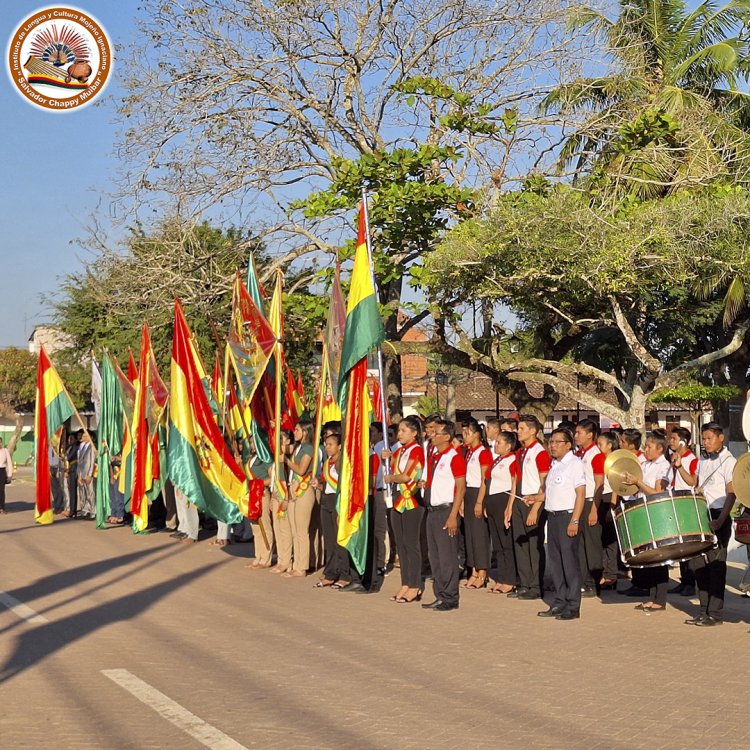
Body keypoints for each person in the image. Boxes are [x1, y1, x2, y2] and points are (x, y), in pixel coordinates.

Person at [684, 423, 737, 627]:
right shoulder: (702, 461)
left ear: (720, 438)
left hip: (718, 516)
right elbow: (695, 484)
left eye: (709, 438)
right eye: (703, 439)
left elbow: (731, 494)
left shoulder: (729, 462)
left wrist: (721, 520)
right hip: (701, 515)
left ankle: (715, 613)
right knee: (699, 564)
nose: (705, 443)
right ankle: (703, 610)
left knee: (716, 566)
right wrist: (680, 467)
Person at [537, 429, 586, 620]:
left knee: (569, 563)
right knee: (556, 561)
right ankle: (559, 601)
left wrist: (575, 520)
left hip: (567, 517)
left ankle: (573, 605)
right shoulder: (554, 464)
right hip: (553, 516)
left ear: (568, 444)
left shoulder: (574, 464)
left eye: (558, 442)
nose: (553, 445)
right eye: (551, 442)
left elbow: (580, 494)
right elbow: (552, 492)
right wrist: (536, 498)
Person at [623, 430, 671, 613]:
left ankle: (661, 599)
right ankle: (652, 597)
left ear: (660, 449)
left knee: (660, 557)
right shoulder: (645, 463)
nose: (646, 450)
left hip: (656, 512)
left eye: (650, 447)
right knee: (650, 557)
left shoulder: (663, 466)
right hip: (643, 511)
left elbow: (658, 492)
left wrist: (638, 482)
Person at [421, 419, 466, 612]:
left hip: (446, 511)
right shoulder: (435, 457)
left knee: (447, 557)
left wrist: (453, 515)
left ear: (446, 437)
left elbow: (461, 487)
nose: (432, 435)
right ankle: (440, 594)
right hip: (432, 512)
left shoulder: (453, 457)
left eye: (436, 433)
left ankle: (450, 597)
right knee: (435, 557)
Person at [383, 416, 425, 603]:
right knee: (401, 545)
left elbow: (406, 476)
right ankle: (405, 583)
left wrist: (392, 478)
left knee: (411, 544)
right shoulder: (400, 451)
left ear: (414, 433)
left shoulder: (416, 450)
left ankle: (415, 585)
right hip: (398, 500)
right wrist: (389, 458)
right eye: (399, 431)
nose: (399, 434)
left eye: (403, 431)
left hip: (412, 501)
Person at [509, 415, 550, 600]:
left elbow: (544, 483)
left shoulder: (539, 452)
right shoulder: (520, 452)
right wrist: (510, 507)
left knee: (534, 545)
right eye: (518, 428)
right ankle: (524, 583)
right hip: (520, 500)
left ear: (533, 431)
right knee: (521, 544)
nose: (518, 431)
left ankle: (535, 585)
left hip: (534, 502)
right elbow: (515, 481)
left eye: (522, 428)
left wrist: (535, 508)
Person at [312, 432, 350, 588]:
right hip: (326, 501)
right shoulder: (327, 462)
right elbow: (326, 486)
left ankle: (344, 575)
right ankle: (330, 573)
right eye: (326, 444)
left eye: (330, 444)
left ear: (339, 446)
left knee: (339, 539)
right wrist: (318, 485)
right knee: (329, 540)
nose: (327, 447)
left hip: (338, 501)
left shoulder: (343, 463)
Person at [667, 427, 698, 597]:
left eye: (673, 438)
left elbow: (692, 481)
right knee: (680, 545)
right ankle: (684, 579)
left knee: (689, 543)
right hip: (676, 500)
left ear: (682, 441)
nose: (670, 441)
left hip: (687, 502)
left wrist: (680, 467)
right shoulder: (673, 458)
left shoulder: (691, 460)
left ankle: (690, 582)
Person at [574, 419, 604, 597]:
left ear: (590, 435)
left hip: (591, 501)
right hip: (579, 502)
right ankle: (583, 580)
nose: (576, 436)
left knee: (592, 545)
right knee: (580, 544)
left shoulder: (596, 455)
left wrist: (594, 508)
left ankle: (593, 582)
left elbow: (599, 483)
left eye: (579, 433)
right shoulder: (579, 454)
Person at [461, 418, 493, 589]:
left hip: (478, 493)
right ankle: (473, 569)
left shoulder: (483, 452)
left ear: (476, 434)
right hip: (468, 493)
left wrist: (480, 501)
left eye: (467, 433)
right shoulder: (469, 452)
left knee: (480, 535)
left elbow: (484, 480)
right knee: (470, 535)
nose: (464, 436)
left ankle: (482, 572)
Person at [283, 421, 315, 577]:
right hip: (294, 489)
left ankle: (302, 566)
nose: (294, 432)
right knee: (295, 529)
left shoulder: (308, 448)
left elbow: (301, 470)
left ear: (305, 432)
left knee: (302, 531)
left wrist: (288, 462)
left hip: (304, 489)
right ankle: (296, 564)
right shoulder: (298, 447)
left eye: (297, 430)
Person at [487, 430, 518, 594]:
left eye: (499, 442)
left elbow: (514, 482)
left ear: (509, 445)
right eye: (495, 442)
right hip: (493, 501)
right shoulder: (497, 460)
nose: (495, 445)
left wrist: (510, 507)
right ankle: (501, 577)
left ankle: (510, 579)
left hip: (503, 500)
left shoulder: (512, 459)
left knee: (506, 542)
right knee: (497, 544)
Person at [245, 437, 274, 569]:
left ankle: (266, 558)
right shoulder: (250, 459)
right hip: (252, 495)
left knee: (265, 526)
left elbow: (272, 478)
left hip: (262, 494)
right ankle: (259, 556)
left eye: (254, 442)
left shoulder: (266, 458)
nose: (252, 445)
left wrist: (258, 484)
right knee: (255, 527)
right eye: (250, 442)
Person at [596, 431, 619, 589]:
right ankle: (603, 572)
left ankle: (611, 575)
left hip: (610, 498)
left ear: (610, 445)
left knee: (610, 540)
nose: (598, 447)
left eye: (601, 444)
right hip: (600, 498)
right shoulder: (598, 459)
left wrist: (612, 504)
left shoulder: (614, 462)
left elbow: (616, 485)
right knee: (602, 539)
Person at [269, 430, 294, 574]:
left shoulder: (286, 457)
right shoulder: (276, 457)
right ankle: (280, 559)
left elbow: (287, 477)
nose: (277, 441)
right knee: (277, 530)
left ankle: (286, 561)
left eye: (280, 439)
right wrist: (273, 497)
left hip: (285, 494)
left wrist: (285, 498)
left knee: (285, 530)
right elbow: (274, 479)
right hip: (276, 494)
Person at [77, 431, 96, 519]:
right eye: (83, 435)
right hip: (82, 472)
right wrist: (79, 475)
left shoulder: (92, 447)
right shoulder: (82, 446)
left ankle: (93, 511)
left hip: (89, 472)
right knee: (84, 492)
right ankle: (86, 510)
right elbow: (80, 462)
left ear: (90, 437)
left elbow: (92, 462)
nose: (83, 437)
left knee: (91, 492)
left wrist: (89, 474)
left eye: (86, 435)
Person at [65, 432, 80, 518]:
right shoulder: (69, 447)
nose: (69, 440)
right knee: (71, 491)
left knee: (73, 491)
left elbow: (69, 457)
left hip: (74, 469)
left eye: (71, 439)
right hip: (70, 469)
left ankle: (73, 510)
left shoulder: (75, 447)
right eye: (68, 439)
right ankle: (71, 509)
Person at [0, 438, 13, 513]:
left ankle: (2, 507)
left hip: (2, 471)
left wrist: (10, 474)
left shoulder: (5, 451)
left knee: (1, 490)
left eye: (0, 442)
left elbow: (9, 463)